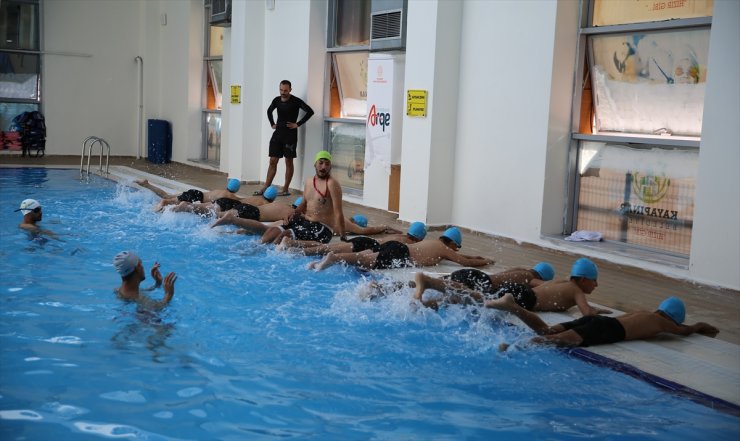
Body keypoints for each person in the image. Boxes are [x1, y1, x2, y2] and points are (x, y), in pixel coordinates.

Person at [489, 294, 719, 351]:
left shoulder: (645, 313)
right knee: (554, 340)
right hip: (608, 329)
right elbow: (685, 331)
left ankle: (513, 306)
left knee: (547, 330)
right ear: (673, 317)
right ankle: (513, 348)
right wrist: (699, 326)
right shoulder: (663, 323)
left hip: (598, 320)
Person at [308, 226, 494, 271]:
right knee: (366, 260)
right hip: (402, 253)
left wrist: (476, 255)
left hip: (396, 247)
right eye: (457, 247)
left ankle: (323, 259)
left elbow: (464, 256)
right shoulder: (444, 250)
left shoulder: (434, 244)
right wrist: (485, 260)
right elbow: (466, 262)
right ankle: (334, 258)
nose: (457, 250)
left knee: (364, 255)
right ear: (453, 244)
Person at [261, 150, 346, 245]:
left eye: (327, 164)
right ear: (315, 164)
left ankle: (272, 255)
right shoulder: (309, 181)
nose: (323, 167)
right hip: (305, 222)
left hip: (322, 229)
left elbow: (338, 212)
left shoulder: (332, 184)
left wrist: (343, 236)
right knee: (272, 231)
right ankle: (258, 248)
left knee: (286, 235)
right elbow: (304, 204)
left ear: (330, 166)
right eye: (321, 163)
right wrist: (292, 214)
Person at [255, 80, 314, 196]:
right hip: (278, 134)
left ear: (290, 90)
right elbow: (269, 111)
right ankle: (266, 186)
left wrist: (298, 124)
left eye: (285, 90)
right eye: (281, 90)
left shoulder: (296, 101)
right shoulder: (276, 100)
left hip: (290, 136)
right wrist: (272, 123)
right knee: (273, 161)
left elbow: (310, 112)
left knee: (288, 161)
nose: (283, 92)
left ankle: (285, 189)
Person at [412, 262, 555, 309]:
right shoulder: (531, 278)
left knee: (450, 288)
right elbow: (545, 286)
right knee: (460, 298)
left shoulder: (520, 270)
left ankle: (421, 296)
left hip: (474, 274)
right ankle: (426, 286)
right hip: (482, 280)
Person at [279, 221, 427, 255]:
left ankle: (293, 245)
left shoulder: (400, 236)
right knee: (326, 249)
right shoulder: (407, 242)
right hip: (366, 244)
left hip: (362, 241)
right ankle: (293, 247)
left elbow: (383, 229)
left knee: (327, 248)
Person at [135, 177, 242, 211]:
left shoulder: (219, 190)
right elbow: (242, 202)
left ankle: (147, 184)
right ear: (236, 190)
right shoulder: (230, 196)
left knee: (167, 195)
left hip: (195, 193)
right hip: (196, 197)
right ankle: (163, 203)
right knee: (167, 200)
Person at [172, 185, 277, 217]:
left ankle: (187, 205)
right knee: (210, 213)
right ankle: (187, 207)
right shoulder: (266, 203)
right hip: (234, 205)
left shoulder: (256, 197)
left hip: (224, 201)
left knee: (204, 208)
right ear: (273, 198)